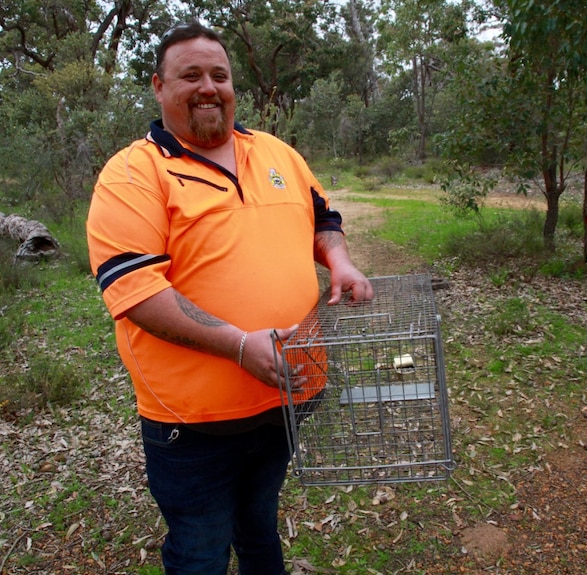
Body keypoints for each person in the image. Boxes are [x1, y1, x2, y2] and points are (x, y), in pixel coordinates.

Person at [85, 20, 373, 575]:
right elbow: (135, 291)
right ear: (159, 87)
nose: (208, 86)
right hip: (194, 421)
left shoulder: (275, 153)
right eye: (190, 75)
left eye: (219, 74)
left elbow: (322, 216)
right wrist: (241, 345)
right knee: (200, 547)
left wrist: (338, 260)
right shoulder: (133, 175)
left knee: (260, 525)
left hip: (286, 396)